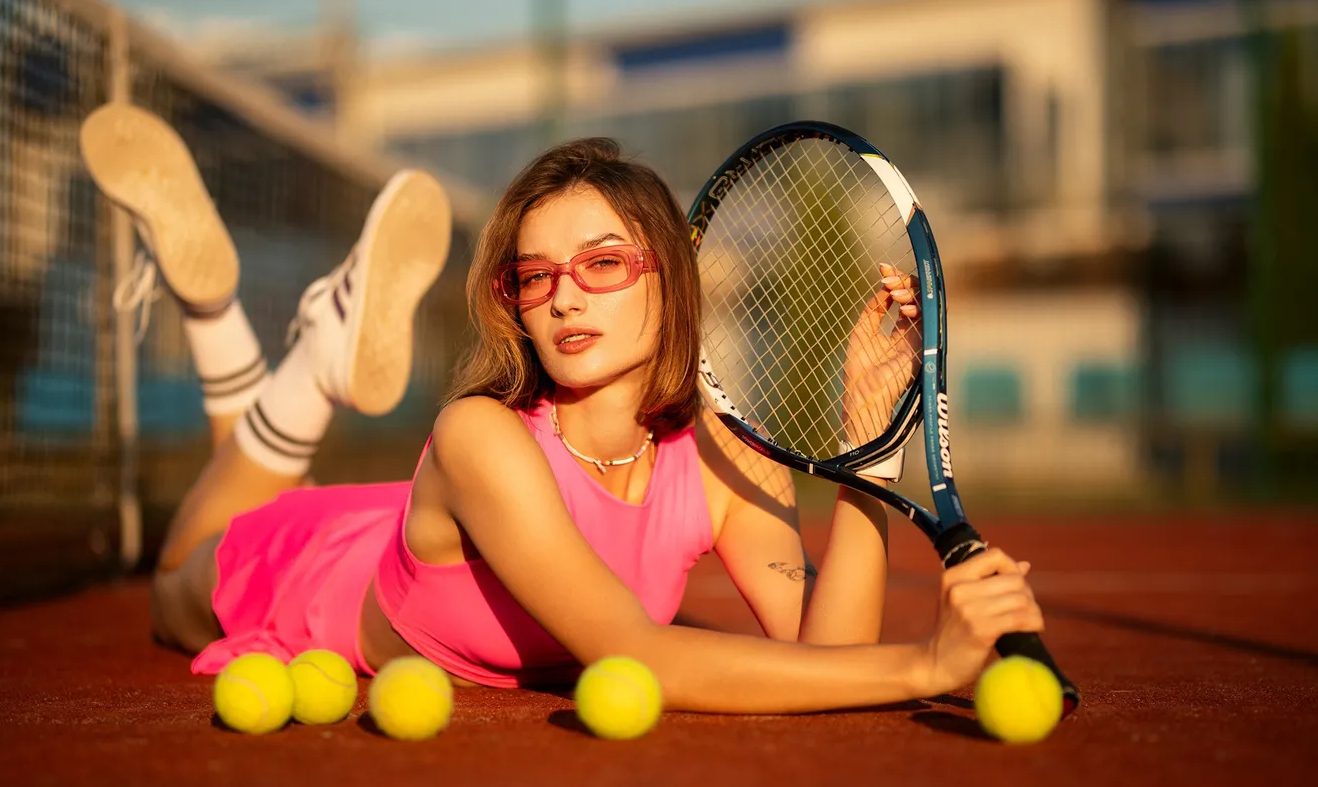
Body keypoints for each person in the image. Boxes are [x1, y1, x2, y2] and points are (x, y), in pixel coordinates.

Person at [81, 103, 1045, 714]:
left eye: (604, 263)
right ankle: (251, 334)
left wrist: (866, 456)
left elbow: (827, 662)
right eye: (535, 276)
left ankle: (297, 351)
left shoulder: (726, 456)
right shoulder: (477, 435)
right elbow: (632, 652)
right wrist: (926, 666)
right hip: (305, 574)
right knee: (176, 576)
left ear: (669, 277)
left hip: (432, 528)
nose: (566, 296)